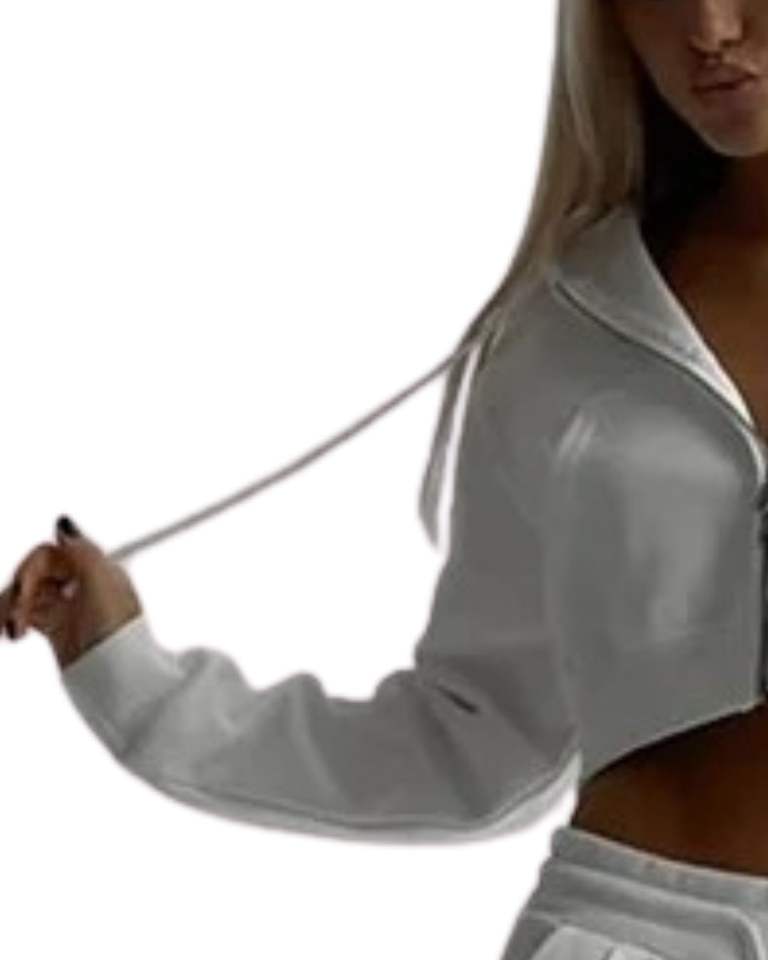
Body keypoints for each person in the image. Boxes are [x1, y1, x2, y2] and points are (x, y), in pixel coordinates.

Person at [4, 1, 768, 957]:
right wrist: (135, 679)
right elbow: (475, 740)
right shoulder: (563, 334)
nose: (708, 27)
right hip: (631, 930)